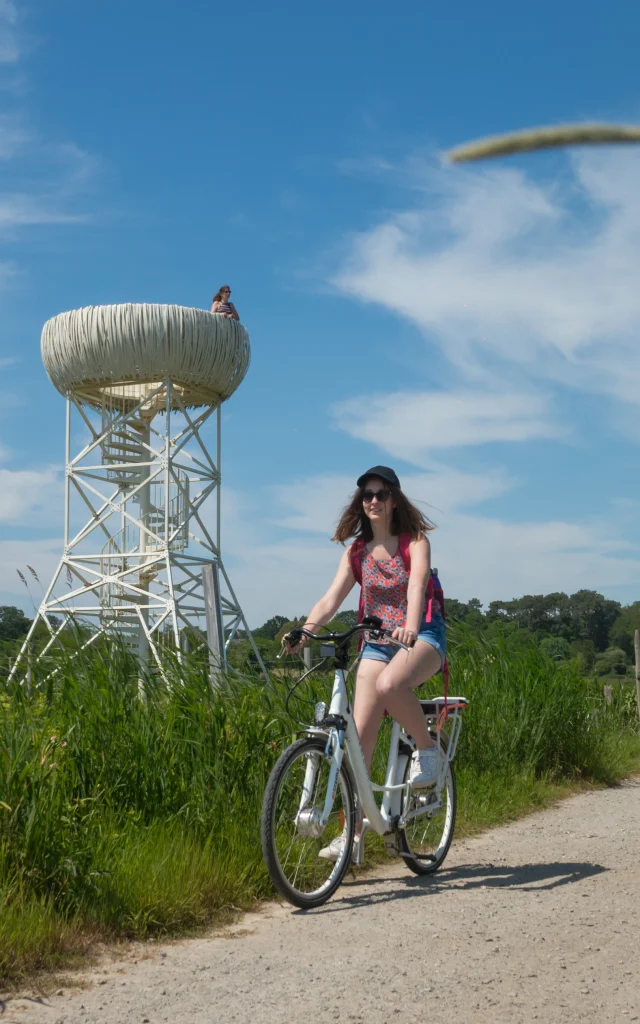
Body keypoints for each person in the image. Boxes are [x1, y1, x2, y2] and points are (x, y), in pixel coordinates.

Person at [286, 465, 446, 862]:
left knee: (392, 686)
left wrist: (410, 627)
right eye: (366, 495)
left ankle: (428, 751)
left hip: (421, 636)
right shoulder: (356, 552)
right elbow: (330, 600)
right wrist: (305, 630)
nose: (373, 501)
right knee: (359, 742)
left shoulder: (415, 541)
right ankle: (351, 836)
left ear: (394, 500)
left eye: (380, 494)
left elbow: (416, 585)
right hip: (375, 644)